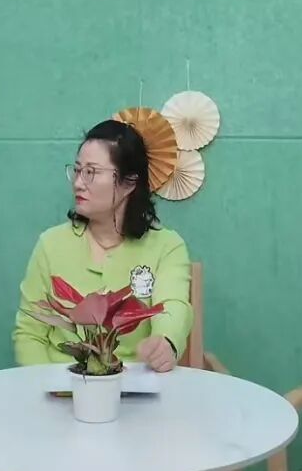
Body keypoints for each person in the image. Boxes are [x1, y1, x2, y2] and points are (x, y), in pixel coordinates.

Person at [12, 119, 193, 372]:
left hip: (136, 385)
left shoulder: (167, 246)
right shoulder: (50, 244)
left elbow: (173, 307)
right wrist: (52, 387)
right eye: (77, 170)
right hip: (61, 384)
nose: (78, 183)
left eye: (91, 172)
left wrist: (166, 342)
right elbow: (29, 334)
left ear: (129, 182)